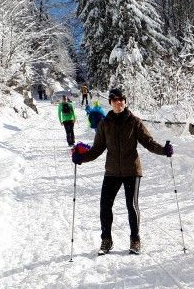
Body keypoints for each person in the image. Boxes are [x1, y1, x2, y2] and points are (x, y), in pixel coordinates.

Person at [71, 88, 174, 255]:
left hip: (131, 170)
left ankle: (135, 240)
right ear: (110, 103)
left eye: (121, 100)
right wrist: (81, 158)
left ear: (125, 102)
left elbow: (148, 142)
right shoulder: (104, 124)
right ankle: (106, 240)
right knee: (105, 205)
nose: (119, 103)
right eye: (115, 100)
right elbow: (97, 149)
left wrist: (164, 150)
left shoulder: (135, 122)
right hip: (111, 171)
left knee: (131, 206)